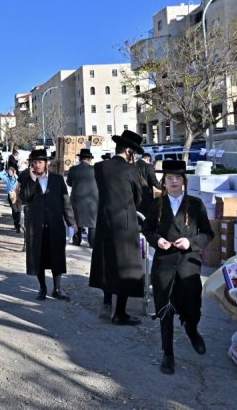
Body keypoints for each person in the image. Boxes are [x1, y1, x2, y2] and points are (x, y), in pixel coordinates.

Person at [142, 160, 214, 375]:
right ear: (163, 182)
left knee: (192, 306)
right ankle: (168, 353)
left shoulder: (195, 204)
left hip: (188, 264)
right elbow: (147, 230)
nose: (173, 182)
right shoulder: (157, 204)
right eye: (169, 178)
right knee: (165, 308)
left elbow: (208, 233)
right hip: (164, 264)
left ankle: (192, 330)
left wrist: (191, 243)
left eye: (178, 178)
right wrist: (157, 240)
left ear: (184, 181)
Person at [89, 129, 145, 325]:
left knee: (107, 262)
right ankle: (120, 313)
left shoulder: (100, 167)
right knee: (126, 268)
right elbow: (138, 197)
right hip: (126, 223)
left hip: (104, 221)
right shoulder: (132, 170)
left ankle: (106, 302)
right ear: (129, 151)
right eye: (135, 152)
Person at [17, 149, 77, 301]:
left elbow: (66, 202)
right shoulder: (26, 177)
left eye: (40, 162)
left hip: (55, 224)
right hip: (35, 226)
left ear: (46, 164)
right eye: (34, 162)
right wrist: (31, 180)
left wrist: (72, 222)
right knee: (39, 257)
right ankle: (42, 288)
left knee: (57, 256)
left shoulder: (57, 179)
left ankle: (57, 289)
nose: (37, 165)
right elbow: (24, 198)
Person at [66, 148, 98, 247]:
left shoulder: (73, 169)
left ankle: (77, 241)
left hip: (77, 199)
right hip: (92, 199)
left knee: (77, 220)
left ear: (80, 159)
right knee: (92, 223)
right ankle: (92, 243)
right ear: (90, 159)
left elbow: (69, 183)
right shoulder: (95, 169)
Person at [0, 166, 21, 234]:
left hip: (18, 195)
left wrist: (15, 174)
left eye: (11, 172)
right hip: (11, 196)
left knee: (19, 211)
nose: (10, 173)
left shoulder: (17, 178)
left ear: (14, 172)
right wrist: (5, 171)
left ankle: (18, 225)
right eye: (9, 172)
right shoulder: (7, 178)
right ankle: (17, 226)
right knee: (14, 210)